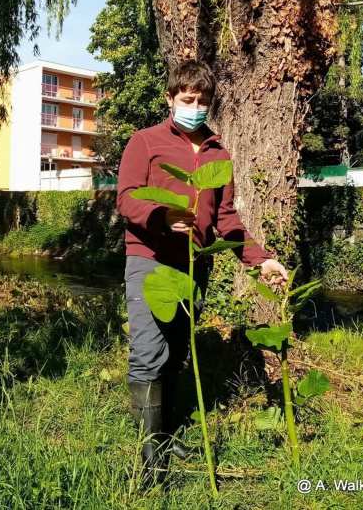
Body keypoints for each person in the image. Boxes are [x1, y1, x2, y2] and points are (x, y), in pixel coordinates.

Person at [116, 60, 289, 482]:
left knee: (176, 352)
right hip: (150, 259)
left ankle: (167, 430)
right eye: (187, 99)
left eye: (203, 101)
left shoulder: (218, 153)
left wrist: (260, 259)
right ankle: (149, 458)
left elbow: (227, 219)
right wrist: (160, 216)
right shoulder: (146, 141)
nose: (195, 107)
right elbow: (126, 198)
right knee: (147, 352)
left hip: (195, 264)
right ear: (170, 99)